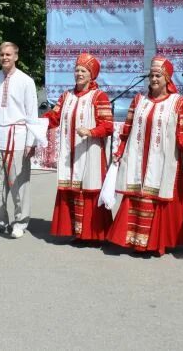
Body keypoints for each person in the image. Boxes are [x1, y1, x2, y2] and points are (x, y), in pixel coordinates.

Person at [106, 56, 183, 255]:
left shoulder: (179, 103)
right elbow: (127, 129)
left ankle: (157, 242)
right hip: (137, 159)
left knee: (160, 195)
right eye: (152, 75)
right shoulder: (139, 100)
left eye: (158, 75)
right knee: (136, 193)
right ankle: (133, 239)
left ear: (167, 78)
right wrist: (119, 152)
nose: (154, 79)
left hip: (165, 161)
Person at [43, 53, 114, 242]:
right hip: (70, 152)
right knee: (72, 188)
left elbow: (108, 125)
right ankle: (77, 233)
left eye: (83, 71)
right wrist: (35, 122)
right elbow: (54, 118)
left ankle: (94, 234)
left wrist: (91, 131)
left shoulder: (99, 96)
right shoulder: (66, 96)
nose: (79, 74)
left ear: (92, 75)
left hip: (90, 152)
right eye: (77, 70)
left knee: (89, 189)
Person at [0, 42, 38, 238]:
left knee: (19, 184)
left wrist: (31, 142)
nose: (5, 58)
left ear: (16, 57)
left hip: (18, 138)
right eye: (2, 54)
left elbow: (32, 113)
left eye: (8, 54)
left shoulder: (26, 81)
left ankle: (20, 222)